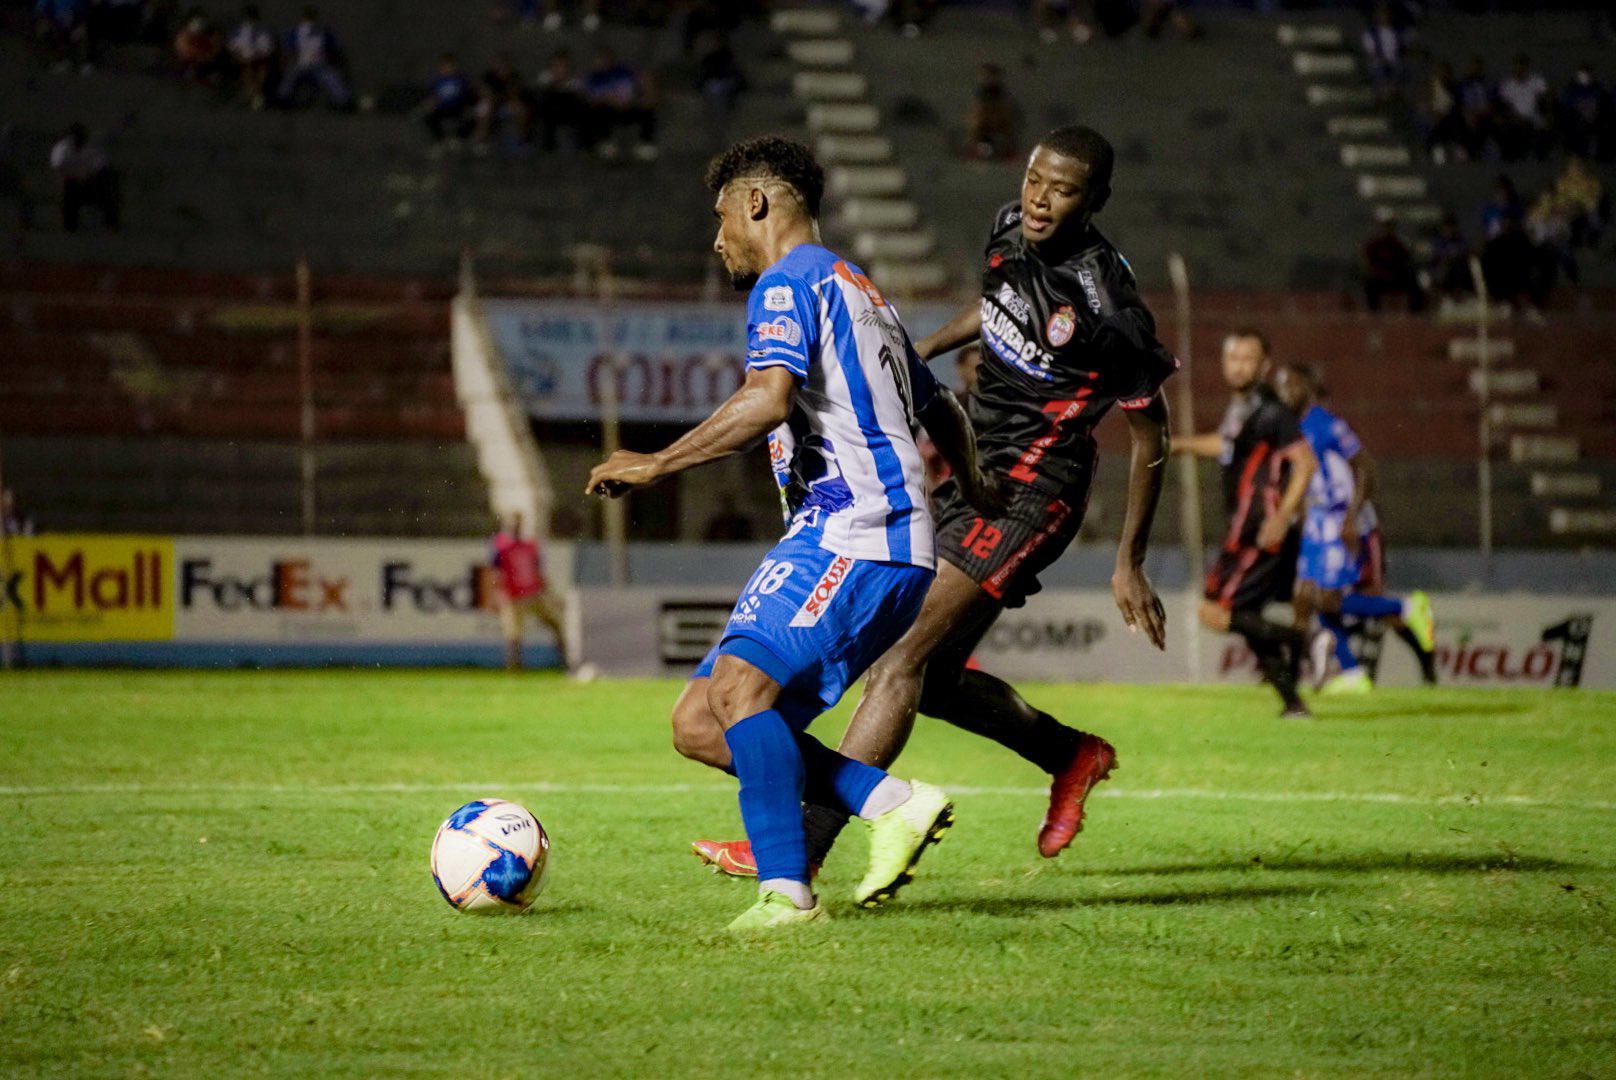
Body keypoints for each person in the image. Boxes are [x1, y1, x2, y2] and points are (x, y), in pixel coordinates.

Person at [687, 126, 1179, 880]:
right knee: (934, 678)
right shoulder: (1008, 228)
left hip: (1037, 488)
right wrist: (913, 356)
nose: (1040, 200)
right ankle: (1069, 753)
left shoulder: (1109, 305)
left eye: (1064, 189)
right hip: (977, 466)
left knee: (900, 656)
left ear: (1096, 200)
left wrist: (1130, 561)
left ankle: (799, 853)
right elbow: (996, 310)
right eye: (1034, 179)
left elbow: (1153, 439)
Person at [587, 136, 997, 932]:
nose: (716, 239)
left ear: (758, 204)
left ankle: (787, 895)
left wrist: (657, 464)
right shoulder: (861, 291)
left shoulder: (787, 283)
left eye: (720, 217)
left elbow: (767, 400)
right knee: (705, 721)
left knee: (739, 690)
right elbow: (938, 401)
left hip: (852, 530)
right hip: (865, 537)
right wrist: (975, 487)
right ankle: (892, 802)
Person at [1175, 330, 1317, 718]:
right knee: (1244, 617)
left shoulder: (1273, 411)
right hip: (1243, 527)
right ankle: (1293, 702)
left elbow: (1305, 463)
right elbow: (1227, 445)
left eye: (1247, 358)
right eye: (1232, 357)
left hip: (1259, 528)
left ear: (1263, 365)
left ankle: (1302, 639)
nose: (1238, 365)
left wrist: (1282, 516)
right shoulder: (1243, 410)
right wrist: (1180, 445)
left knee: (1215, 611)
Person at [1273, 364, 1435, 695]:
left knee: (1332, 598)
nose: (1284, 393)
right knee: (1308, 597)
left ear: (1307, 386)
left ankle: (1407, 610)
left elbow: (1366, 469)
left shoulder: (1328, 425)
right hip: (1316, 525)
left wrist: (1351, 516)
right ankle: (1352, 672)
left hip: (1340, 521)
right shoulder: (1292, 428)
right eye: (1279, 387)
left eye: (1290, 385)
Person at [490, 512, 570, 672]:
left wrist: (551, 595)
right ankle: (514, 667)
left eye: (518, 523)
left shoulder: (530, 546)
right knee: (513, 634)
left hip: (533, 594)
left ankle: (566, 662)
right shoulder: (501, 546)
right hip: (512, 597)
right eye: (513, 523)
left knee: (556, 624)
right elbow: (495, 572)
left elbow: (538, 572)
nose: (516, 527)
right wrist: (496, 594)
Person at [583, 48, 657, 161]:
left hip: (629, 106)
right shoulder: (594, 78)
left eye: (606, 59)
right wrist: (609, 100)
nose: (604, 62)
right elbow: (590, 99)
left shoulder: (624, 71)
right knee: (598, 111)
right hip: (608, 110)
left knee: (647, 110)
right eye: (601, 59)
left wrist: (647, 94)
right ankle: (605, 143)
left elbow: (644, 78)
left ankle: (645, 144)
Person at [50, 123, 120, 232]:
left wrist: (86, 174)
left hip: (90, 182)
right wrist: (76, 174)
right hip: (70, 183)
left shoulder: (92, 147)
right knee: (69, 190)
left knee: (107, 187)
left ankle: (111, 223)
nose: (78, 140)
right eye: (75, 137)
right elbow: (59, 166)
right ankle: (70, 225)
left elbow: (100, 165)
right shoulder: (62, 147)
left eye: (81, 137)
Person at [278, 6, 349, 110]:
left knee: (332, 79)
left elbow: (334, 48)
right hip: (304, 65)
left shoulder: (322, 32)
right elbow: (289, 49)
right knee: (289, 78)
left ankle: (342, 101)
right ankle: (283, 99)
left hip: (317, 66)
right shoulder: (297, 31)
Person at [1361, 212, 1426, 312]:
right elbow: (1367, 260)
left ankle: (1415, 313)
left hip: (1397, 277)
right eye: (1385, 226)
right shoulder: (1374, 244)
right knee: (1370, 284)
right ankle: (1374, 313)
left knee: (1414, 283)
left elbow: (1407, 258)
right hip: (1380, 278)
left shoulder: (1399, 243)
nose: (1387, 229)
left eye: (1390, 226)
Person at [963, 63, 1020, 162]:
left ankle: (1006, 150)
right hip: (985, 128)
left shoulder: (1003, 97)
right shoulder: (980, 96)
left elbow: (1005, 113)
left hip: (999, 127)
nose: (989, 79)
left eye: (991, 76)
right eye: (986, 76)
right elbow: (976, 113)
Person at [227, 5, 277, 109]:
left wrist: (256, 56)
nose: (249, 20)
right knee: (247, 71)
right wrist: (240, 58)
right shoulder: (238, 31)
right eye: (247, 18)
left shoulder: (263, 31)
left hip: (259, 60)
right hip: (242, 61)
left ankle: (254, 96)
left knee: (261, 71)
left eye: (250, 17)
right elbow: (232, 48)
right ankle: (255, 97)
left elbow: (267, 49)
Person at [422, 53, 474, 146]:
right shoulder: (436, 80)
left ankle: (458, 138)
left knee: (470, 118)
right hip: (442, 107)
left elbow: (467, 94)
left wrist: (467, 106)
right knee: (429, 118)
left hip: (457, 106)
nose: (447, 68)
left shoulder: (461, 79)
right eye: (445, 66)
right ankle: (440, 140)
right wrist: (430, 103)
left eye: (450, 66)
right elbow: (431, 95)